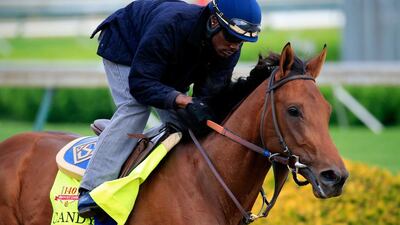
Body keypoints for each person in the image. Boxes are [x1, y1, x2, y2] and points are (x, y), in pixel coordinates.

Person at [78, 0, 262, 217]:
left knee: (188, 123)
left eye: (241, 42)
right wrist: (182, 100)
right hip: (126, 47)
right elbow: (140, 84)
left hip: (165, 64)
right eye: (231, 38)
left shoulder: (228, 50)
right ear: (213, 21)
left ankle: (125, 140)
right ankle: (93, 188)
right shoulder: (172, 24)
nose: (234, 47)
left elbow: (209, 97)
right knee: (136, 107)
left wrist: (198, 108)